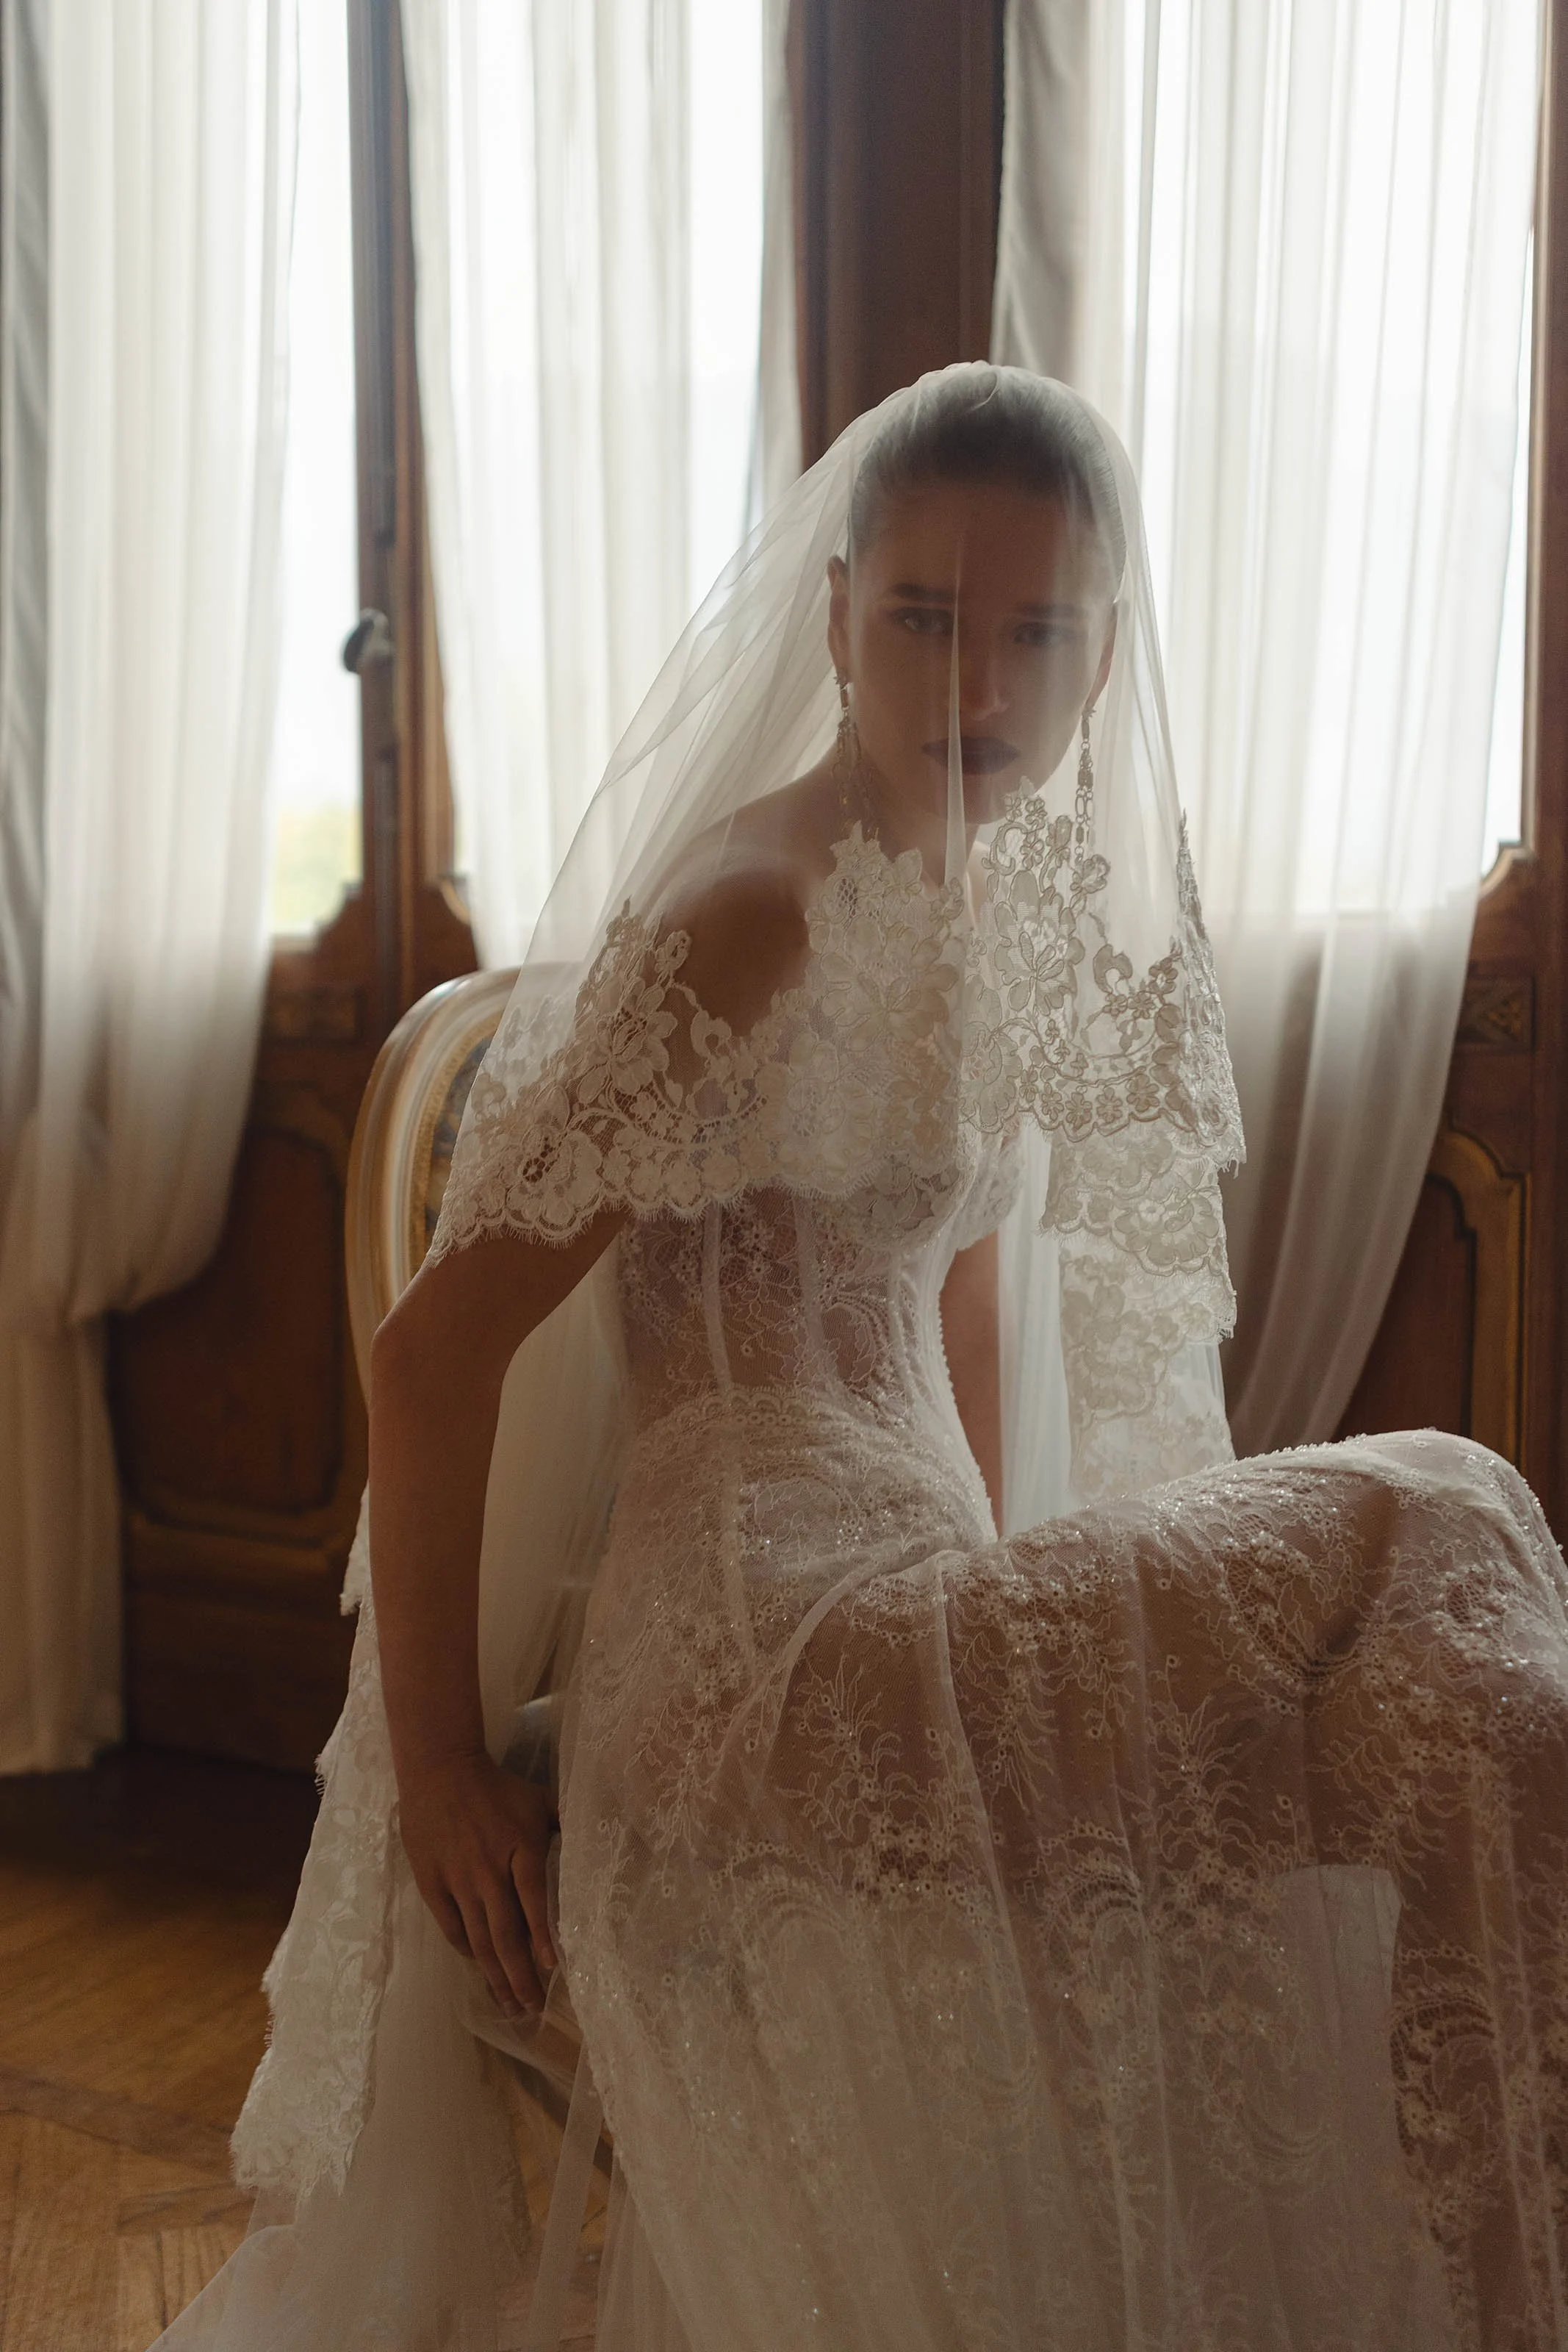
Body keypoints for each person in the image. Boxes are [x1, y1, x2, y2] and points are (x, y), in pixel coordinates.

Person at [164, 367, 1568, 2351]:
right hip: (754, 1670)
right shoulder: (748, 917)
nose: (974, 685)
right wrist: (449, 1774)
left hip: (921, 1634)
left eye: (1035, 633)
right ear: (835, 617)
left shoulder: (972, 910)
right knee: (1449, 1504)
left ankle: (1497, 2297)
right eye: (921, 616)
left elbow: (958, 1297)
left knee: (1469, 1739)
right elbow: (426, 1355)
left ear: (1102, 659)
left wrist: (1019, 1627)